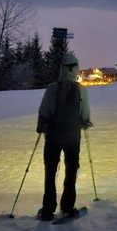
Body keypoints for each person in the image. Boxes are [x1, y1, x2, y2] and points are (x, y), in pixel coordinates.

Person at [36, 53, 93, 221]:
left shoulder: (52, 88)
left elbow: (44, 110)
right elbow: (85, 114)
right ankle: (67, 208)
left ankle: (48, 209)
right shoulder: (80, 89)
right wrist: (84, 123)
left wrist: (42, 126)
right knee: (71, 171)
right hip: (72, 137)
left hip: (53, 136)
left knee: (50, 171)